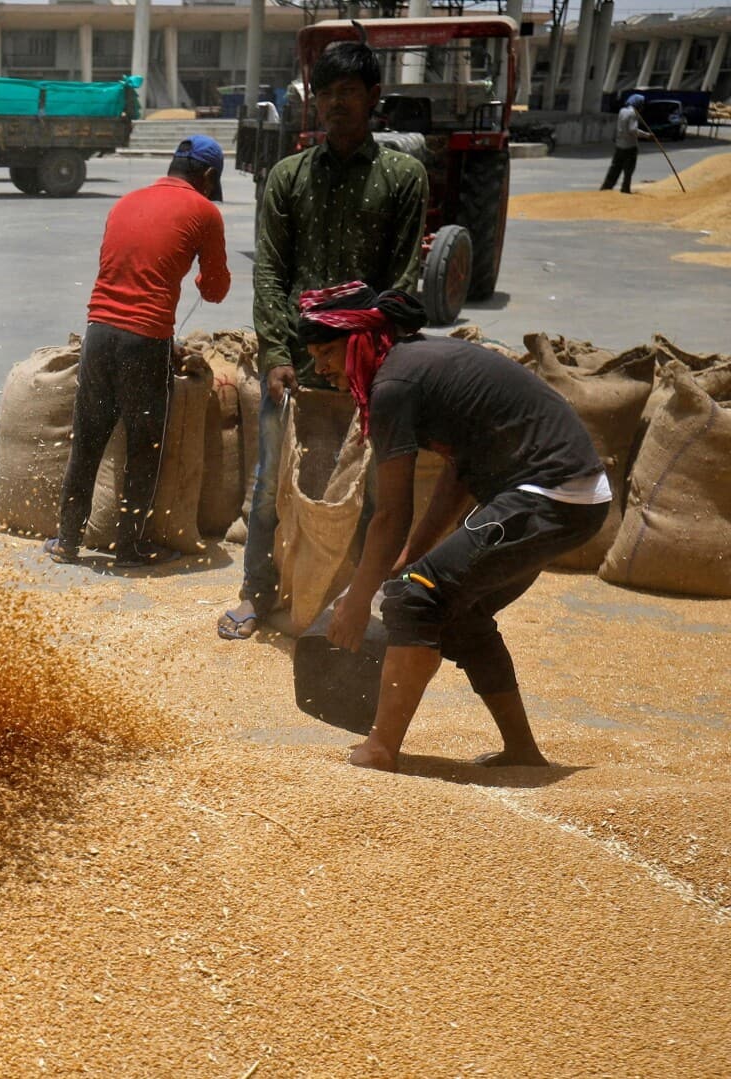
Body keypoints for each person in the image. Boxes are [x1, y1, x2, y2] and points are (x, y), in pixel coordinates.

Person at [299, 282, 610, 773]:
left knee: (414, 596)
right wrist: (411, 557)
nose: (319, 367)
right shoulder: (412, 366)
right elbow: (458, 472)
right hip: (560, 495)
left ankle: (381, 748)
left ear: (360, 340)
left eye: (327, 352)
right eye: (314, 355)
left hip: (551, 492)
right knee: (454, 609)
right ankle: (523, 754)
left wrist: (360, 599)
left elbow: (390, 513)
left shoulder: (394, 386)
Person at [218, 39, 430, 639]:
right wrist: (280, 354)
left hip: (370, 369)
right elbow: (270, 272)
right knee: (267, 489)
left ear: (373, 99)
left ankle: (344, 604)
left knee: (362, 494)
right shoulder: (289, 176)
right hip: (294, 367)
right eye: (325, 93)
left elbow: (401, 281)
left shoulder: (402, 177)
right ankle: (257, 593)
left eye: (348, 93)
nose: (335, 104)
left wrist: (363, 357)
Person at [43, 136, 230, 568]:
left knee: (87, 441)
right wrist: (202, 279)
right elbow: (216, 289)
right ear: (207, 176)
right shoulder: (205, 212)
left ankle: (67, 541)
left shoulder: (125, 202)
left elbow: (123, 268)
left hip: (98, 333)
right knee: (144, 446)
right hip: (145, 341)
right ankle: (131, 547)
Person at [601, 93, 648, 194]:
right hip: (630, 147)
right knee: (628, 170)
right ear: (638, 104)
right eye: (641, 104)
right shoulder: (633, 114)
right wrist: (646, 135)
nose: (642, 107)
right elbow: (633, 130)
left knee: (615, 168)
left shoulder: (622, 111)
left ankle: (606, 187)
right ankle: (625, 189)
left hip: (619, 145)